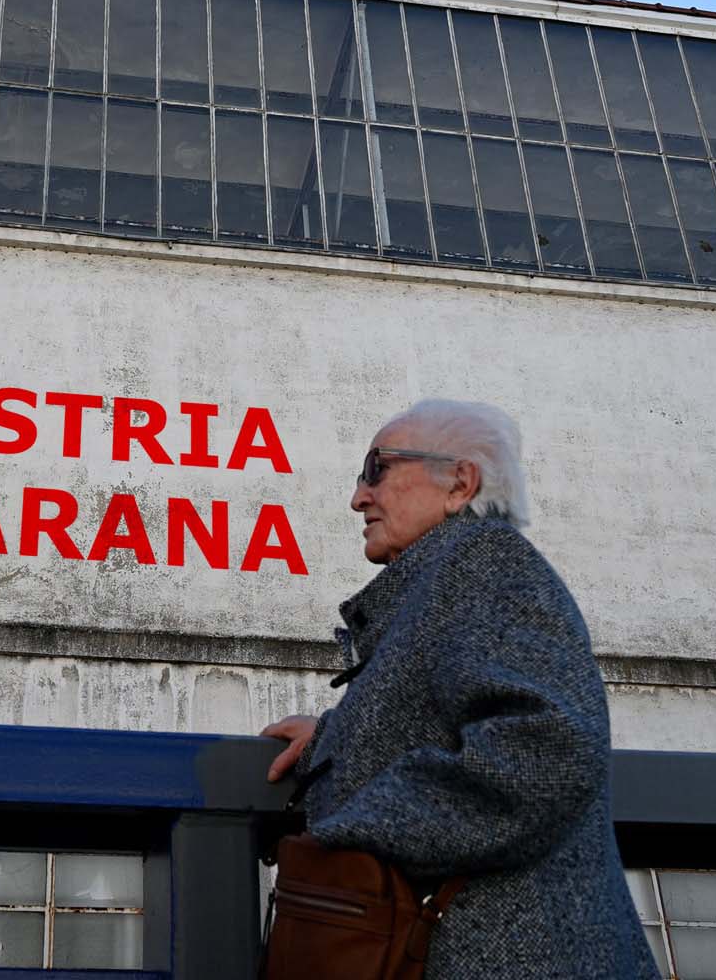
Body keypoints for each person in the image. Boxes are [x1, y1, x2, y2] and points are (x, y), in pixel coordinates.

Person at [261, 399, 660, 978]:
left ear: (459, 484)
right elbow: (448, 717)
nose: (358, 496)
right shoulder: (448, 580)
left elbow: (544, 752)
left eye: (378, 468)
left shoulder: (482, 560)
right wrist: (332, 740)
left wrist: (348, 835)